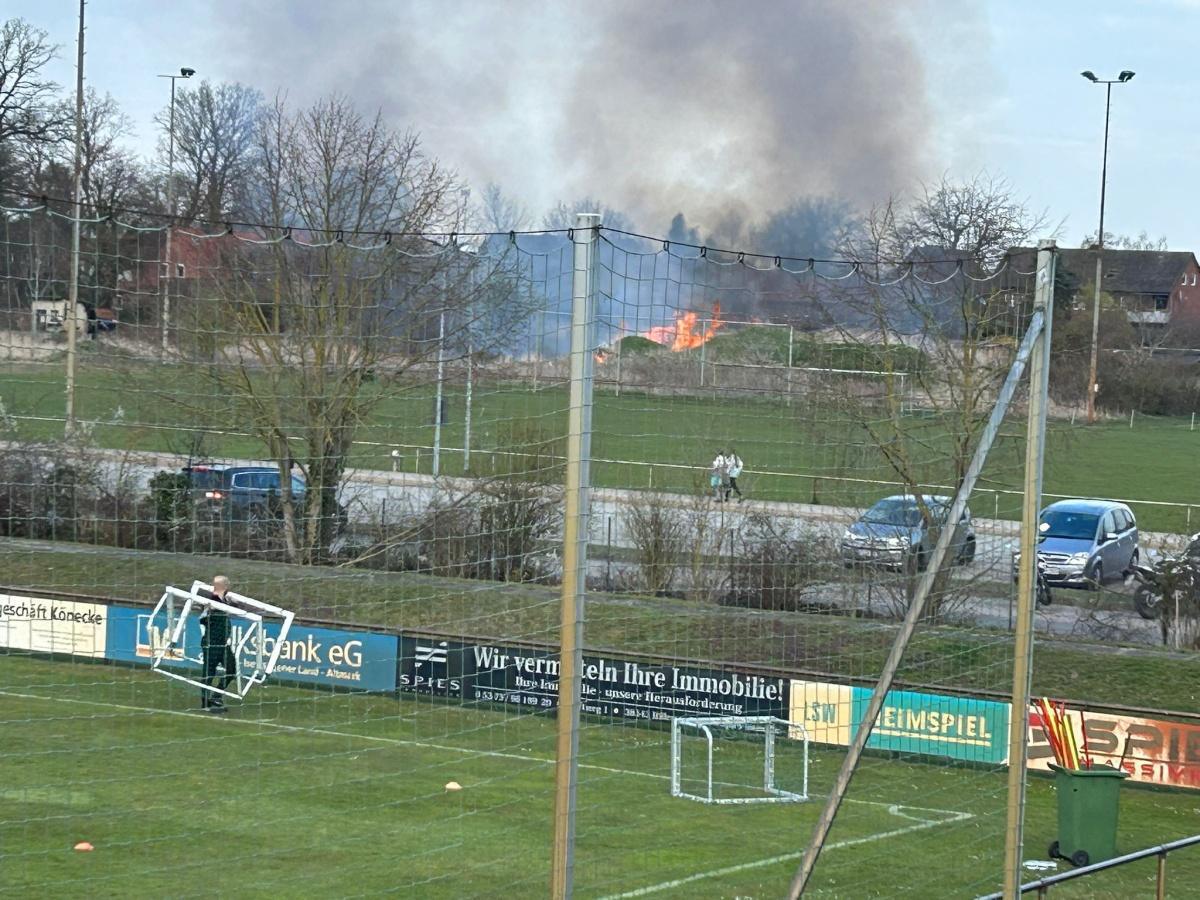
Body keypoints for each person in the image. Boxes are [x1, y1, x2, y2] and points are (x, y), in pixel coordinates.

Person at [198, 576, 237, 713]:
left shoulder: (225, 600)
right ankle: (205, 703)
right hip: (211, 642)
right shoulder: (210, 601)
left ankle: (216, 696)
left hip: (223, 644)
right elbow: (202, 618)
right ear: (226, 586)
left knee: (231, 669)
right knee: (209, 672)